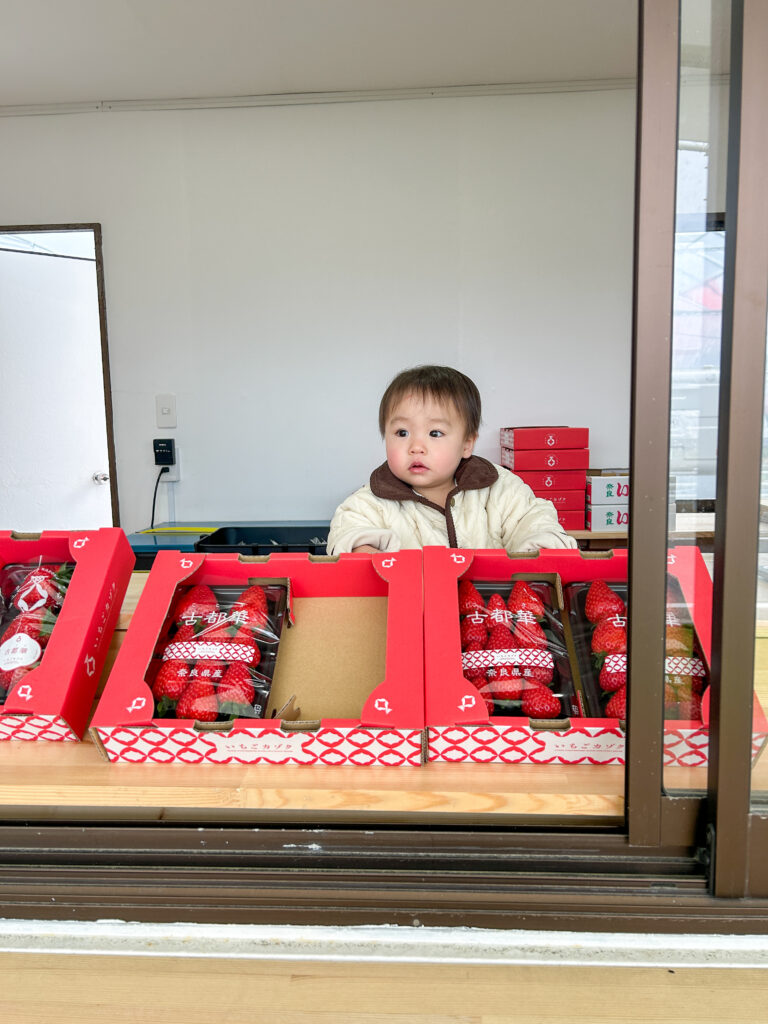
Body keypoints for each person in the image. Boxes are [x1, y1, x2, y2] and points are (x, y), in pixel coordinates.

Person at [327, 365, 578, 555]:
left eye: (435, 433)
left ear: (467, 443)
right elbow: (348, 531)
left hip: (488, 612)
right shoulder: (371, 501)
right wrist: (362, 550)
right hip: (410, 611)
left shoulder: (500, 489)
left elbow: (534, 520)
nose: (416, 447)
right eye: (402, 433)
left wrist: (541, 545)